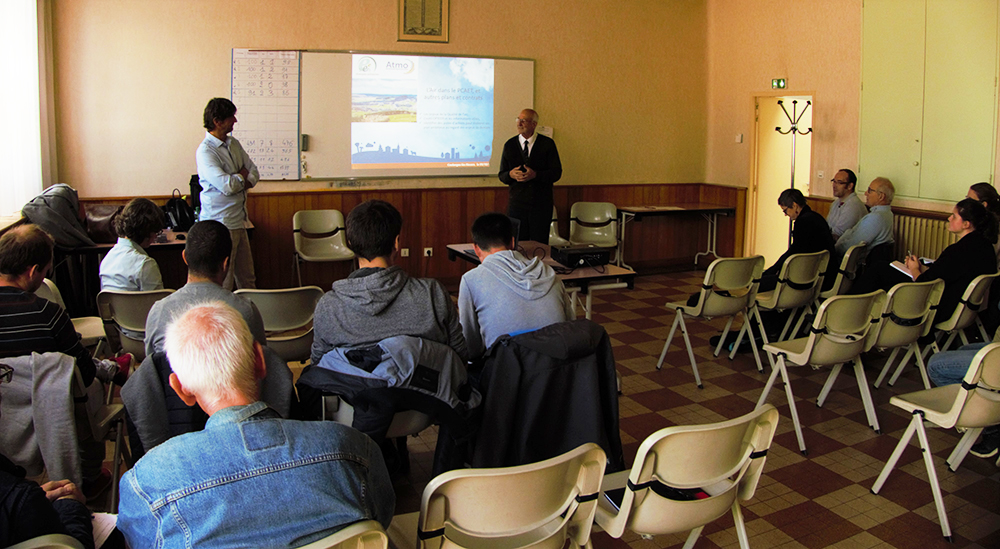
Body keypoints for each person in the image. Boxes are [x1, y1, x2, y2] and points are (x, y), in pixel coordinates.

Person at [117, 302, 394, 547]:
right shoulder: (355, 451)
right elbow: (381, 517)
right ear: (261, 362)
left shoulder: (147, 483)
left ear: (182, 390)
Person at [0, 224, 132, 498]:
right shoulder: (48, 313)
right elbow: (82, 375)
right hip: (53, 417)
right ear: (33, 271)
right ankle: (91, 477)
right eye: (47, 270)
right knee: (86, 385)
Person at [311, 200, 468, 364]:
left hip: (352, 389)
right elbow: (459, 356)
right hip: (428, 389)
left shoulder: (329, 305)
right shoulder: (432, 293)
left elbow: (319, 364)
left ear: (349, 244)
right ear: (397, 242)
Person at [0, 362, 95, 549]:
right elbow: (87, 372)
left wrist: (33, 506)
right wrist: (70, 505)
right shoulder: (20, 498)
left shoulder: (19, 499)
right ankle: (94, 475)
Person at [458, 212, 575, 358]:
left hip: (507, 374)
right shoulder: (550, 273)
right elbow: (571, 326)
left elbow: (471, 347)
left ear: (476, 248)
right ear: (513, 242)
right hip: (557, 370)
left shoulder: (471, 280)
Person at [144, 220, 265, 358]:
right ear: (225, 264)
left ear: (185, 257)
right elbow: (261, 365)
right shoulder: (246, 311)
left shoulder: (158, 312)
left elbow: (152, 369)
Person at [196, 97, 258, 290]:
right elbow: (227, 186)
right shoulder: (205, 151)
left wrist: (239, 179)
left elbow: (254, 172)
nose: (235, 121)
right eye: (232, 117)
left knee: (248, 279)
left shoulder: (234, 144)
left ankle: (250, 319)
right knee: (225, 282)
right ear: (217, 121)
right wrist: (241, 177)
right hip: (221, 225)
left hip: (239, 221)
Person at [498, 109, 562, 243]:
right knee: (518, 245)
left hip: (541, 205)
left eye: (524, 120)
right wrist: (510, 174)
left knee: (540, 246)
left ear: (534, 124)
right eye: (518, 120)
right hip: (517, 205)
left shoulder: (547, 144)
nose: (519, 124)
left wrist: (536, 175)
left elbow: (556, 173)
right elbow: (502, 175)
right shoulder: (510, 145)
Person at [758, 189, 835, 293]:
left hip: (805, 280)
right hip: (825, 275)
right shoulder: (818, 218)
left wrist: (773, 270)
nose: (785, 214)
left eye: (785, 210)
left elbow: (795, 252)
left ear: (794, 206)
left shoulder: (802, 223)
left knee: (757, 283)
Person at [99, 197, 165, 292]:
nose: (155, 236)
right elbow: (157, 304)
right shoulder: (145, 264)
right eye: (155, 231)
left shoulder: (106, 260)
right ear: (145, 230)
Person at [835, 176, 895, 257]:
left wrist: (833, 249)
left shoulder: (875, 218)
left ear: (881, 196)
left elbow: (850, 246)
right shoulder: (888, 214)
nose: (865, 193)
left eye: (870, 190)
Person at [826, 169, 867, 238]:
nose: (834, 186)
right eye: (834, 181)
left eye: (839, 182)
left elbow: (838, 234)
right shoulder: (835, 203)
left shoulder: (853, 205)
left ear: (850, 186)